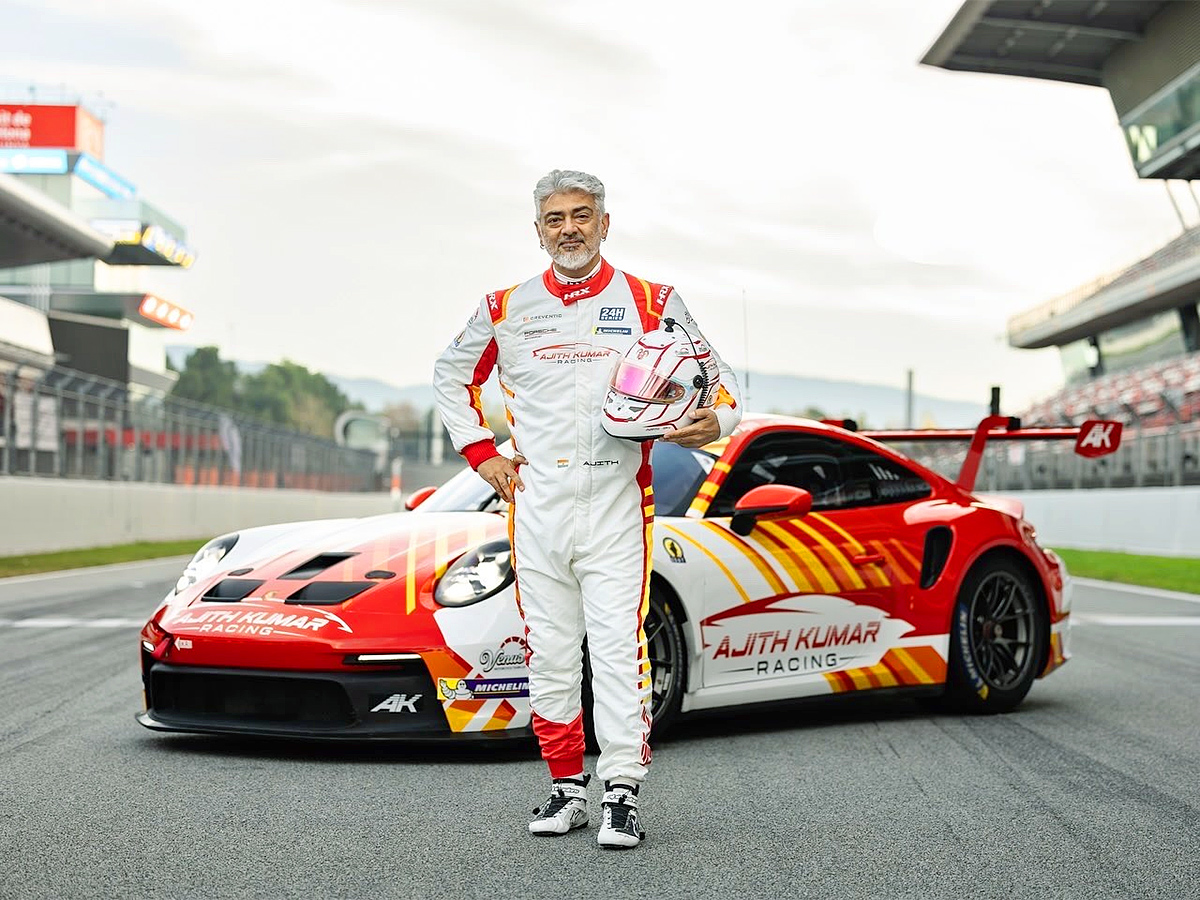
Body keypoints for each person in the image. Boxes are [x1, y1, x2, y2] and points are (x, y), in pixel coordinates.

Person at [433, 169, 742, 849]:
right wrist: (484, 455)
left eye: (581, 216)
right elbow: (450, 375)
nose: (568, 229)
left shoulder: (653, 299)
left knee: (616, 651)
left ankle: (622, 794)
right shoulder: (504, 306)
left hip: (616, 504)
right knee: (547, 653)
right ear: (538, 230)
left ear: (605, 224)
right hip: (536, 506)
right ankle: (566, 788)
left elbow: (723, 387)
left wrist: (712, 423)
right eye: (554, 219)